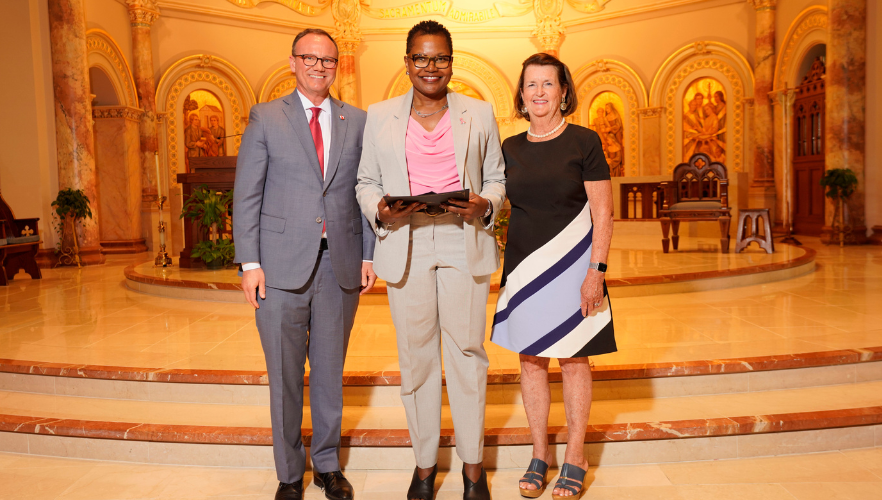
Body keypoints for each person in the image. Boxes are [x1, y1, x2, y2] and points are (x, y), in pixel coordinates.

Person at [355, 20, 505, 500]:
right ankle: (424, 466)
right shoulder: (378, 116)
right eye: (420, 58)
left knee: (467, 356)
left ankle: (473, 468)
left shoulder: (479, 114)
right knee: (416, 361)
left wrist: (487, 205)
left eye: (439, 58)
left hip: (462, 240)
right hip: (407, 240)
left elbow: (498, 178)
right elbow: (365, 182)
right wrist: (378, 208)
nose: (430, 67)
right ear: (407, 63)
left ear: (451, 62)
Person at [233, 28, 377, 500]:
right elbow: (247, 193)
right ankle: (289, 472)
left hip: (340, 264)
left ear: (338, 66)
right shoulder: (266, 117)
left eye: (329, 60)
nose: (319, 66)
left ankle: (328, 465)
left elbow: (364, 191)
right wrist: (250, 262)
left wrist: (369, 254)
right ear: (292, 62)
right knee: (285, 373)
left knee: (330, 372)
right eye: (310, 58)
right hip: (277, 266)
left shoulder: (357, 120)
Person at [490, 53, 617, 500]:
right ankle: (539, 453)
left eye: (548, 84)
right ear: (521, 95)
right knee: (530, 361)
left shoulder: (584, 141)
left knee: (574, 359)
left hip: (574, 265)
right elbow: (493, 203)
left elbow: (604, 214)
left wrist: (595, 273)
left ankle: (576, 455)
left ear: (564, 91)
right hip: (525, 268)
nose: (539, 92)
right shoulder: (509, 147)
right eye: (531, 85)